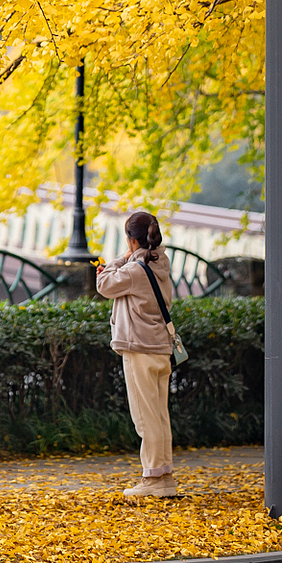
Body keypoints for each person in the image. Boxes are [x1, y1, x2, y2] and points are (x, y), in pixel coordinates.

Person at [96, 208, 179, 500]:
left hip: (139, 349)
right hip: (160, 348)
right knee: (159, 414)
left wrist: (117, 260)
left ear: (132, 241)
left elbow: (104, 285)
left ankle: (152, 478)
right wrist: (132, 255)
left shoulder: (133, 271)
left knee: (145, 417)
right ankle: (164, 475)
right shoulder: (160, 263)